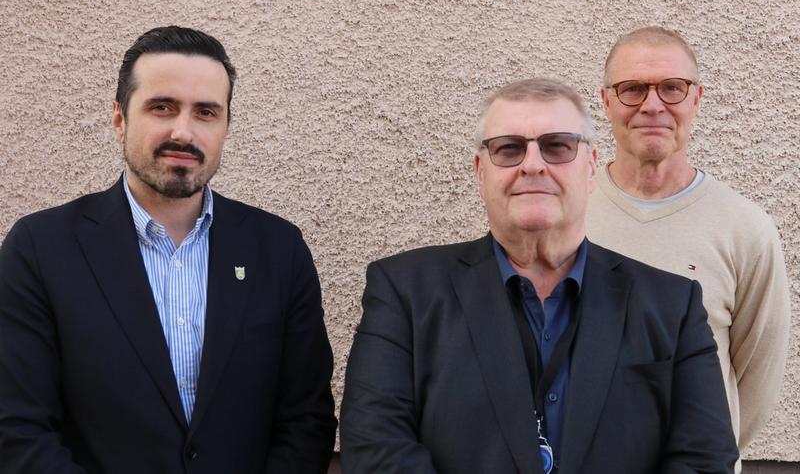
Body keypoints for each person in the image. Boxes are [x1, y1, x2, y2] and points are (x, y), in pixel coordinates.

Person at [340, 78, 738, 473]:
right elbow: (376, 450)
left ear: (591, 166)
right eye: (509, 148)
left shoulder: (673, 305)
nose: (532, 165)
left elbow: (704, 460)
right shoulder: (404, 292)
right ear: (481, 171)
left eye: (557, 146)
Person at [0, 26, 337, 474]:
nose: (183, 131)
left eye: (206, 112)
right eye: (162, 107)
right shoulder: (40, 249)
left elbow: (306, 421)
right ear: (119, 118)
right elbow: (18, 428)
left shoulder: (278, 249)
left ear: (226, 127)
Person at [587, 26, 790, 458]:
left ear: (696, 98)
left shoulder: (745, 229)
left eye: (672, 88)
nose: (652, 105)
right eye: (632, 89)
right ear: (605, 101)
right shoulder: (567, 217)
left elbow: (755, 382)